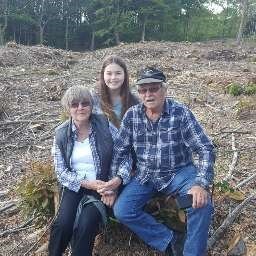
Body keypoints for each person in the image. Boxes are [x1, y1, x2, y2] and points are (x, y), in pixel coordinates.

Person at [98, 67, 216, 256]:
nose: (148, 94)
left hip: (180, 174)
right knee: (123, 210)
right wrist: (113, 183)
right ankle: (170, 240)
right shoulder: (132, 116)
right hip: (146, 175)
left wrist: (200, 183)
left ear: (164, 90)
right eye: (143, 90)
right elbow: (120, 151)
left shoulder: (181, 113)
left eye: (153, 89)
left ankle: (192, 252)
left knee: (200, 203)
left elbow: (205, 148)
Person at [48, 86, 129, 256]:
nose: (80, 108)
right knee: (62, 224)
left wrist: (115, 183)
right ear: (67, 108)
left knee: (86, 224)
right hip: (75, 186)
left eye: (85, 103)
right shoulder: (61, 134)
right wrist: (87, 184)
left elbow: (125, 154)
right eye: (74, 104)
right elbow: (61, 172)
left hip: (102, 186)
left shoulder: (105, 125)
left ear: (92, 106)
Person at [92, 55, 139, 127]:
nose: (113, 77)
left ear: (125, 75)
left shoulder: (135, 101)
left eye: (118, 73)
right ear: (103, 75)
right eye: (109, 73)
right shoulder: (93, 101)